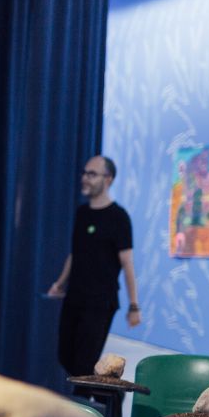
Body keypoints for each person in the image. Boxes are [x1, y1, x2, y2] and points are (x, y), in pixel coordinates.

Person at [48, 155, 140, 385]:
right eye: (84, 173)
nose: (85, 178)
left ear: (108, 179)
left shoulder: (119, 217)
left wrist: (134, 305)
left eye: (92, 174)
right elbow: (75, 253)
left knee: (82, 364)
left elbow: (127, 262)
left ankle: (92, 408)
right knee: (65, 356)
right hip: (75, 297)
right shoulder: (82, 213)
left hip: (100, 302)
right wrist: (60, 283)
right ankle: (104, 395)